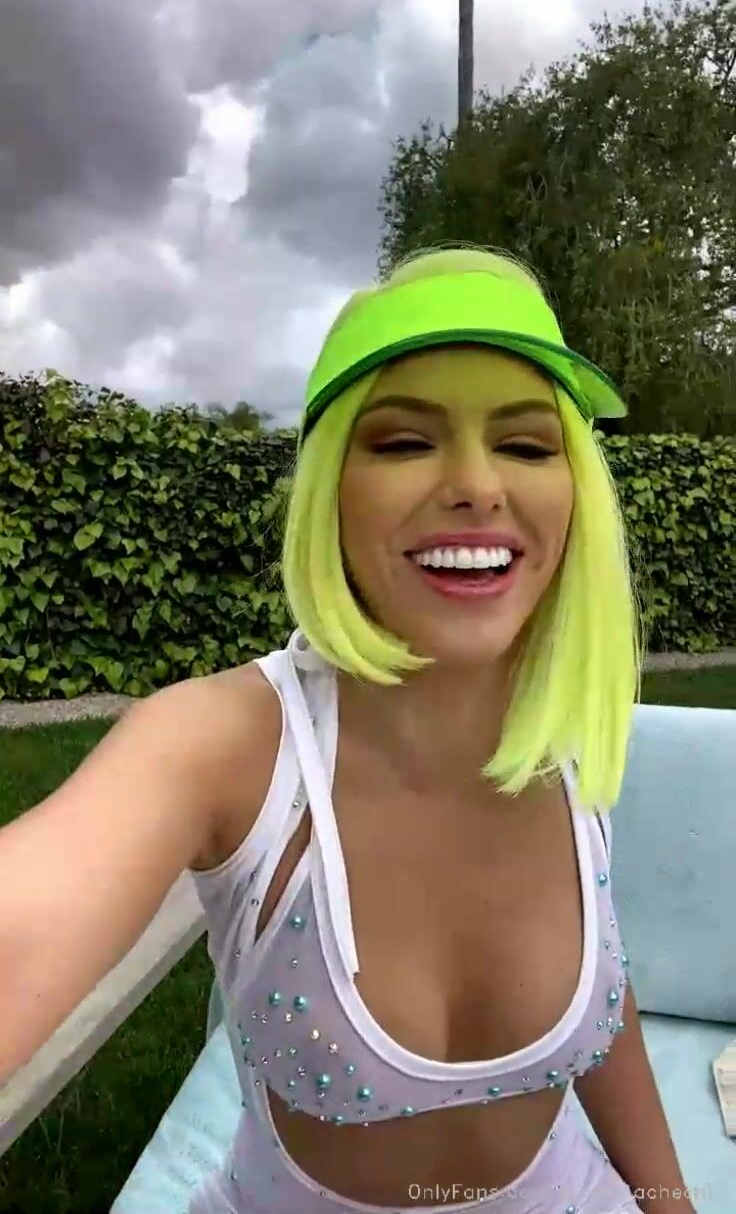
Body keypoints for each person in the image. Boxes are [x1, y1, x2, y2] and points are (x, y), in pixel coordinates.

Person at [0, 246, 694, 1214]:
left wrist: (667, 1200)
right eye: (404, 442)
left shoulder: (568, 737)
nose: (477, 484)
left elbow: (601, 1003)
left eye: (528, 446)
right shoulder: (220, 745)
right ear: (330, 489)